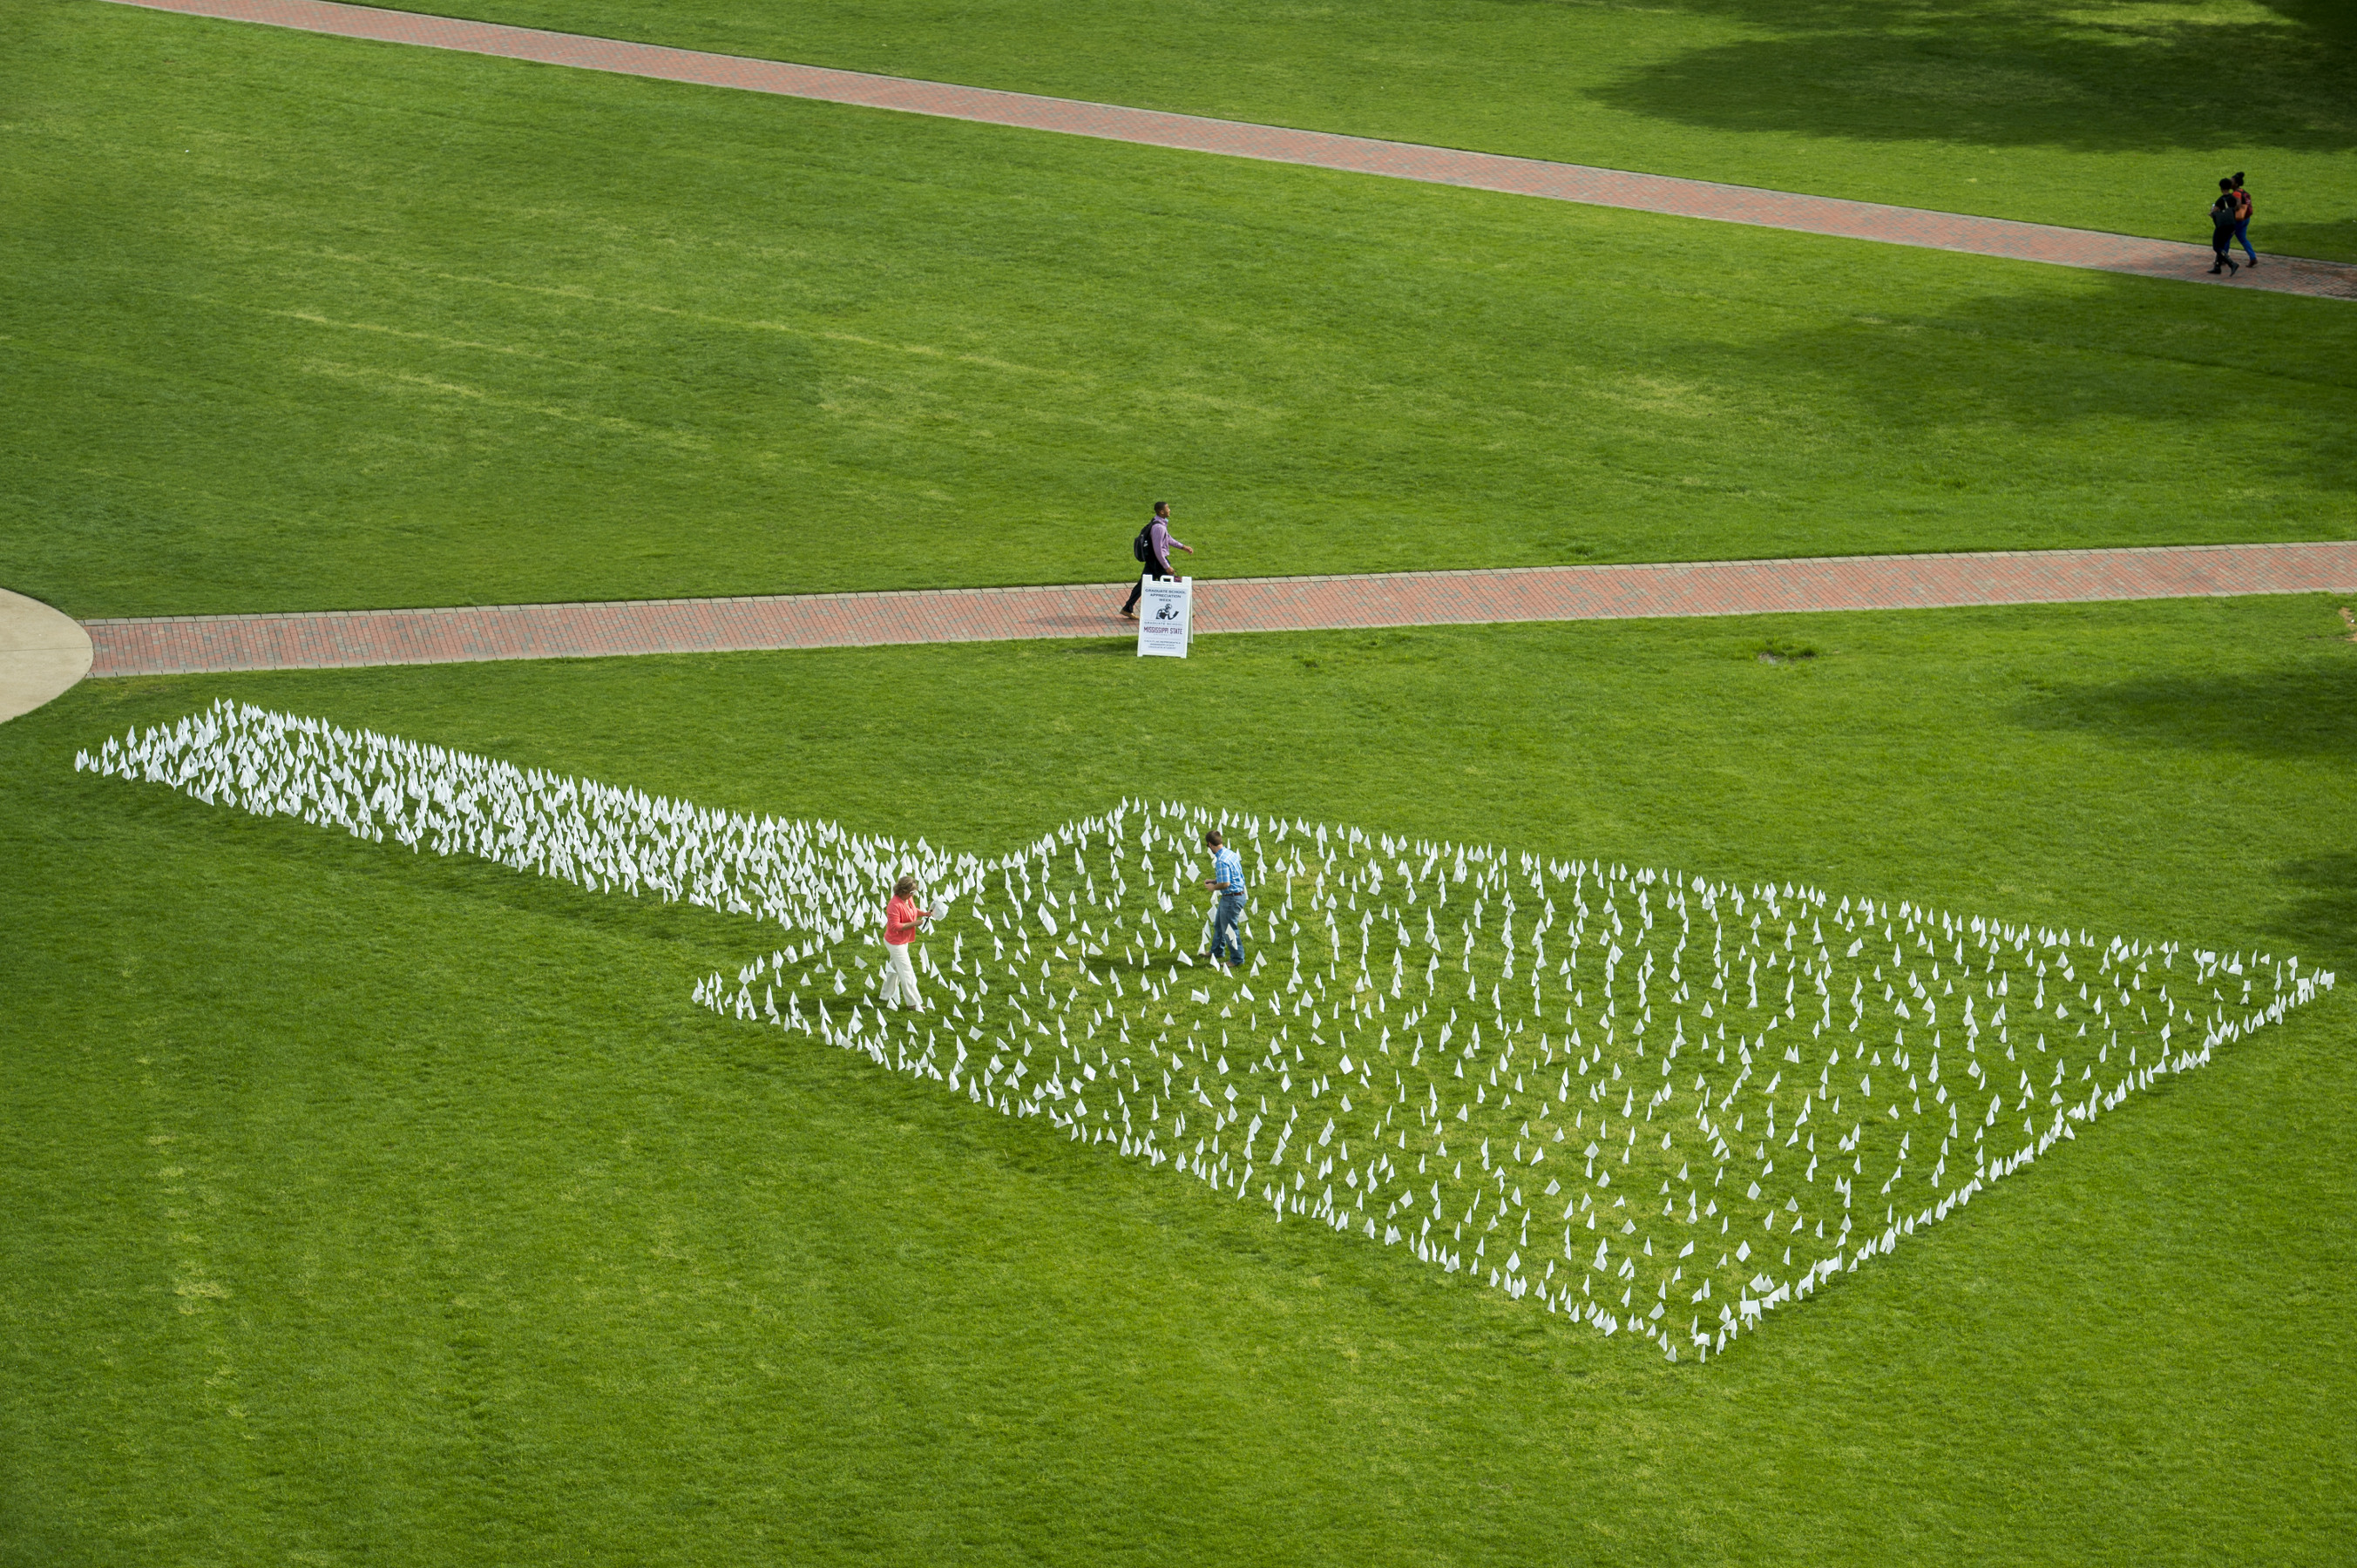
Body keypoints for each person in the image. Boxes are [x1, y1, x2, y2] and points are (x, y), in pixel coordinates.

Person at [1120, 502, 1195, 620]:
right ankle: (1185, 611)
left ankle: (1127, 608)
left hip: (1153, 561)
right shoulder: (1158, 527)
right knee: (1173, 584)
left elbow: (1167, 538)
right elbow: (1158, 549)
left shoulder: (1159, 523)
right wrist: (1166, 566)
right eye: (1167, 508)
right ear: (1161, 512)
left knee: (1143, 584)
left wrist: (1183, 547)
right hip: (1158, 562)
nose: (1169, 510)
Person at [880, 875, 935, 1010]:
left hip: (903, 940)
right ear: (903, 891)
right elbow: (895, 926)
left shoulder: (908, 900)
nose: (912, 895)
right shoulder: (894, 905)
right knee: (906, 972)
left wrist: (924, 914)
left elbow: (913, 910)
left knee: (894, 968)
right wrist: (914, 924)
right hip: (895, 942)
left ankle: (885, 995)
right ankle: (913, 1003)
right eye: (911, 893)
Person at [1198, 828, 1246, 971]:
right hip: (1236, 895)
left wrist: (1214, 887)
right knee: (1219, 925)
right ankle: (1217, 951)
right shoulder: (1230, 854)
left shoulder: (1221, 861)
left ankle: (1237, 959)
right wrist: (1213, 880)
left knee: (1230, 930)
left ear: (1210, 844)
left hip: (1232, 899)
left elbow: (1226, 884)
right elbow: (1231, 877)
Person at [2208, 179, 2240, 277]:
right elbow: (2236, 208)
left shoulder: (2220, 200)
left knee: (2216, 247)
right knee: (2221, 245)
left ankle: (2232, 263)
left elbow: (2213, 213)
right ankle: (2217, 267)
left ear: (2221, 188)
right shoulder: (2233, 198)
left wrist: (2211, 212)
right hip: (2232, 225)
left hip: (2222, 226)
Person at [2231, 172, 2257, 267]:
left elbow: (2237, 206)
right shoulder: (2243, 191)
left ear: (2236, 184)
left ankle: (2222, 259)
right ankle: (2253, 257)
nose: (2230, 183)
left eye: (2231, 181)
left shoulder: (2236, 193)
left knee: (2226, 238)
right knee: (2243, 239)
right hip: (2246, 218)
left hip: (2238, 220)